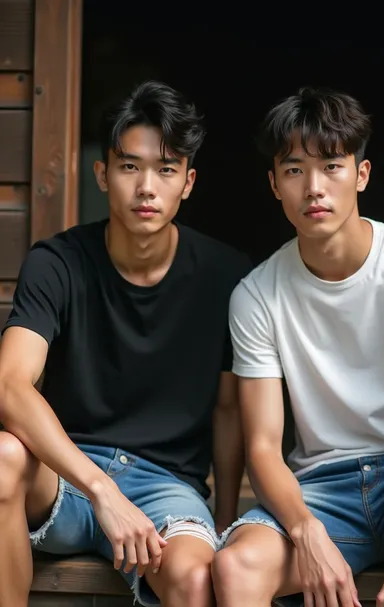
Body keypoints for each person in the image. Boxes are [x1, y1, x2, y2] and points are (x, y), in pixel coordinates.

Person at [212, 86, 384, 607]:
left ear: (361, 175)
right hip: (322, 490)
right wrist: (306, 531)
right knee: (235, 567)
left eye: (331, 166)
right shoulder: (257, 294)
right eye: (294, 170)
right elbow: (263, 445)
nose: (314, 187)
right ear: (274, 184)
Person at [0, 80, 252, 607]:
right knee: (2, 457)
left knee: (197, 581)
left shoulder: (228, 277)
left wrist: (226, 519)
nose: (147, 187)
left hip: (167, 489)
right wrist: (101, 489)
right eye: (129, 166)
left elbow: (230, 410)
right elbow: (9, 385)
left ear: (188, 182)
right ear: (102, 174)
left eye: (166, 169)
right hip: (66, 476)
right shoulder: (58, 263)